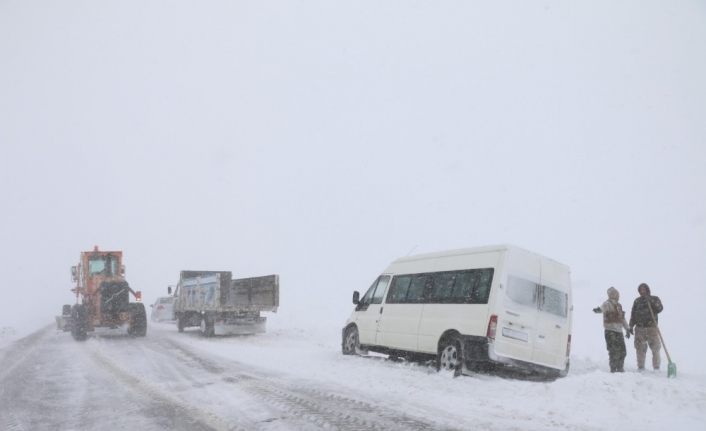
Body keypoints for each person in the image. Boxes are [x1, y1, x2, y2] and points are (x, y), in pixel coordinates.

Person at [593, 287, 631, 372]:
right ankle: (613, 369)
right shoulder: (607, 303)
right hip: (610, 331)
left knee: (623, 351)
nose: (614, 295)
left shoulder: (619, 306)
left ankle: (620, 367)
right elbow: (602, 309)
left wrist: (627, 329)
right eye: (612, 293)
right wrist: (598, 310)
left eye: (615, 293)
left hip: (619, 331)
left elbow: (622, 319)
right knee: (613, 351)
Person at [629, 283, 663, 370]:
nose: (642, 291)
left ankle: (656, 367)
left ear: (647, 290)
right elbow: (633, 314)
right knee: (640, 349)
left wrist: (650, 300)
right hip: (640, 329)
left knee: (655, 348)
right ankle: (641, 367)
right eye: (640, 290)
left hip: (652, 328)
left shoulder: (654, 298)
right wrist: (630, 326)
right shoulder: (637, 301)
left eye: (644, 289)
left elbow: (660, 308)